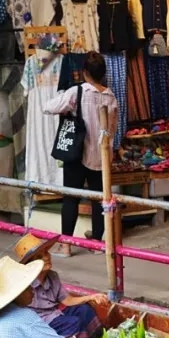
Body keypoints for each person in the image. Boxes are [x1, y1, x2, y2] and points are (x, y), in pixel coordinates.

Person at [43, 52, 118, 257]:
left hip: (78, 152)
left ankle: (66, 245)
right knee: (99, 200)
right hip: (101, 155)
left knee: (71, 198)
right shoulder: (111, 97)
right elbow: (112, 129)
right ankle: (96, 243)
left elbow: (49, 107)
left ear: (85, 72)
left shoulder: (77, 92)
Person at [14, 233, 106, 338]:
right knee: (73, 323)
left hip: (55, 314)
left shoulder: (52, 276)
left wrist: (91, 297)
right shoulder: (23, 284)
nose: (46, 257)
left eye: (46, 253)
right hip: (40, 322)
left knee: (85, 310)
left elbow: (67, 300)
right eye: (39, 257)